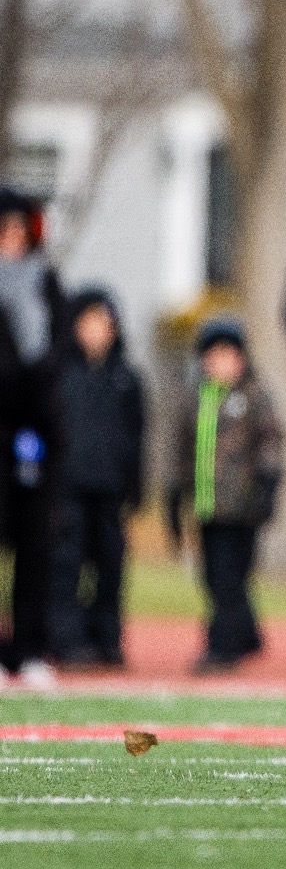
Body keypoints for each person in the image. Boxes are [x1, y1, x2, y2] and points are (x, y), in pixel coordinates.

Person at [165, 319, 282, 675]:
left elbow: (271, 444)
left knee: (231, 576)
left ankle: (223, 644)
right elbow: (182, 452)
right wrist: (174, 495)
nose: (221, 364)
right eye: (213, 356)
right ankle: (245, 634)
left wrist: (267, 489)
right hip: (206, 505)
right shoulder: (195, 400)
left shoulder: (254, 397)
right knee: (215, 575)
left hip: (241, 508)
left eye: (228, 355)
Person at [50, 287, 147, 668]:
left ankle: (106, 639)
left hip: (110, 488)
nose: (97, 331)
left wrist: (134, 484)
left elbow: (137, 435)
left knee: (110, 564)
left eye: (104, 324)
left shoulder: (126, 378)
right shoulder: (60, 374)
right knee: (66, 564)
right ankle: (66, 641)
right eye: (89, 323)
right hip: (68, 487)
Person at [0, 188, 65, 689]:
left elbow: (57, 355)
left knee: (35, 544)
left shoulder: (46, 284)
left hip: (35, 432)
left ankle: (30, 648)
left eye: (20, 230)